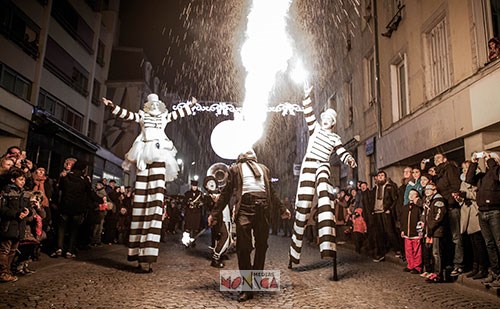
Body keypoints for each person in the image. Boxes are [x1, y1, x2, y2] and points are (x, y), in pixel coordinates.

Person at [102, 94, 195, 272]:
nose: (153, 106)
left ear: (159, 105)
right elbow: (127, 115)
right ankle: (139, 256)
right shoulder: (142, 116)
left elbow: (178, 114)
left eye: (156, 104)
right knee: (140, 205)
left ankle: (148, 257)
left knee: (155, 205)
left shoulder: (163, 116)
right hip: (143, 153)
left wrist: (190, 106)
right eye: (150, 103)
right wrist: (111, 106)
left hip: (160, 154)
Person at [208, 149, 290, 302]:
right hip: (245, 209)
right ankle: (247, 288)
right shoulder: (235, 169)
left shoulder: (264, 169)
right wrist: (215, 213)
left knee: (262, 246)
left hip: (263, 209)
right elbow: (226, 193)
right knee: (243, 248)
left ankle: (255, 281)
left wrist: (282, 209)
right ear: (241, 157)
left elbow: (271, 191)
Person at [289, 86, 357, 267]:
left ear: (333, 123)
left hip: (323, 165)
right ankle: (293, 253)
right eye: (325, 118)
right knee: (303, 208)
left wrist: (349, 158)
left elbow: (341, 152)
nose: (326, 120)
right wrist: (306, 95)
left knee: (325, 195)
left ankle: (327, 246)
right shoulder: (315, 129)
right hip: (309, 164)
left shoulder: (335, 137)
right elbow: (308, 112)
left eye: (330, 119)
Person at [51, 160, 99, 259]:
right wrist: (99, 200)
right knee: (74, 230)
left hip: (65, 206)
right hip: (78, 208)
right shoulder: (84, 179)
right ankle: (69, 250)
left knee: (61, 228)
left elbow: (59, 189)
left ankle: (58, 248)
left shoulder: (66, 177)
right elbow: (90, 193)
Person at [465, 151, 500, 287]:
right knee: (489, 245)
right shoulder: (482, 176)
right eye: (485, 161)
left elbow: (496, 176)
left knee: (498, 243)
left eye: (489, 161)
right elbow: (469, 179)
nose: (486, 163)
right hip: (482, 212)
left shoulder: (496, 172)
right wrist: (473, 162)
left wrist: (491, 160)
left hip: (495, 211)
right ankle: (496, 273)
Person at [454, 160, 488, 279]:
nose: (464, 171)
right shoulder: (462, 182)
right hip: (466, 214)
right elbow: (463, 198)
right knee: (473, 243)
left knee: (479, 243)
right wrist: (459, 198)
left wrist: (466, 196)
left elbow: (477, 195)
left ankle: (483, 267)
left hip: (475, 213)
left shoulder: (478, 179)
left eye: (466, 169)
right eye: (463, 169)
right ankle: (476, 267)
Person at [433, 153, 463, 276]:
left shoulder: (449, 168)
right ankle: (449, 262)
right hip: (444, 208)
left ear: (445, 159)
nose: (436, 160)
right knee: (447, 237)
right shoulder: (438, 173)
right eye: (435, 159)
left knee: (456, 237)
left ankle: (458, 264)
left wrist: (449, 202)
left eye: (439, 158)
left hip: (451, 207)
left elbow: (455, 186)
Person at [0, 168, 31, 283]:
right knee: (4, 250)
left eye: (24, 180)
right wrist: (16, 214)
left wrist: (28, 212)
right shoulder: (7, 192)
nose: (23, 182)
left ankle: (7, 271)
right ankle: (3, 272)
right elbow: (2, 208)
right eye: (20, 179)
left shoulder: (25, 193)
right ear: (13, 180)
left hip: (19, 226)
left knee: (13, 250)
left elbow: (29, 208)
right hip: (8, 225)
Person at [366, 170, 400, 262]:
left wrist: (390, 209)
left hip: (385, 212)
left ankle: (398, 249)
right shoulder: (375, 188)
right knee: (379, 234)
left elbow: (395, 200)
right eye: (379, 175)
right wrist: (372, 210)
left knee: (390, 231)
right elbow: (371, 200)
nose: (380, 177)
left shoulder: (390, 187)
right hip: (377, 213)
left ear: (385, 177)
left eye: (382, 175)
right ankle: (381, 253)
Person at [424, 183, 447, 283]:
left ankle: (438, 274)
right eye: (426, 189)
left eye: (429, 189)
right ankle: (434, 272)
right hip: (431, 230)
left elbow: (438, 217)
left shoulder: (438, 201)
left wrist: (431, 228)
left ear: (434, 190)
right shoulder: (430, 201)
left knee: (436, 253)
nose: (427, 191)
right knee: (432, 253)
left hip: (437, 231)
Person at [401, 189, 423, 274]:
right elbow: (402, 220)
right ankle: (410, 265)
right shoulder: (405, 208)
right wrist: (403, 230)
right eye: (410, 194)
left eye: (413, 194)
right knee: (408, 250)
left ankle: (417, 267)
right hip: (407, 233)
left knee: (417, 251)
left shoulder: (418, 208)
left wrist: (420, 232)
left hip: (415, 233)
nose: (411, 196)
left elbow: (420, 221)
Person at [182, 180, 205, 247]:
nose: (194, 187)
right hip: (189, 213)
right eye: (193, 186)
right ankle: (186, 242)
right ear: (191, 186)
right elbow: (184, 202)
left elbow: (203, 203)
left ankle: (193, 241)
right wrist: (188, 203)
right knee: (187, 229)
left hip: (196, 213)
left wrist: (199, 204)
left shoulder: (200, 194)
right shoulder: (187, 194)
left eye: (195, 186)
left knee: (195, 229)